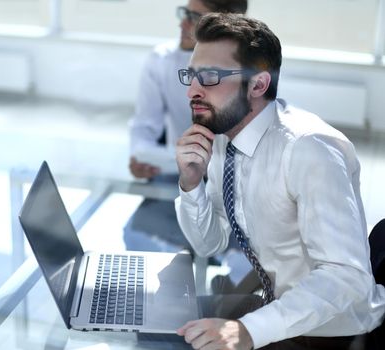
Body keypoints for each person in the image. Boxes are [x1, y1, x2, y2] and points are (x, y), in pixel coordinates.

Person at [174, 13, 385, 350]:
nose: (192, 92)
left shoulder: (308, 149)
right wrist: (191, 183)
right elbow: (208, 245)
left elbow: (348, 277)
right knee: (165, 326)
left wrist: (249, 331)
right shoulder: (223, 138)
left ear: (258, 85)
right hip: (276, 307)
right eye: (191, 75)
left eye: (209, 77)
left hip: (329, 329)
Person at [129, 0, 247, 178]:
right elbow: (144, 127)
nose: (182, 23)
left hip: (235, 177)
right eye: (185, 13)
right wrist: (140, 158)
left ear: (227, 25)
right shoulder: (161, 59)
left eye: (195, 18)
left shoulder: (252, 67)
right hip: (175, 173)